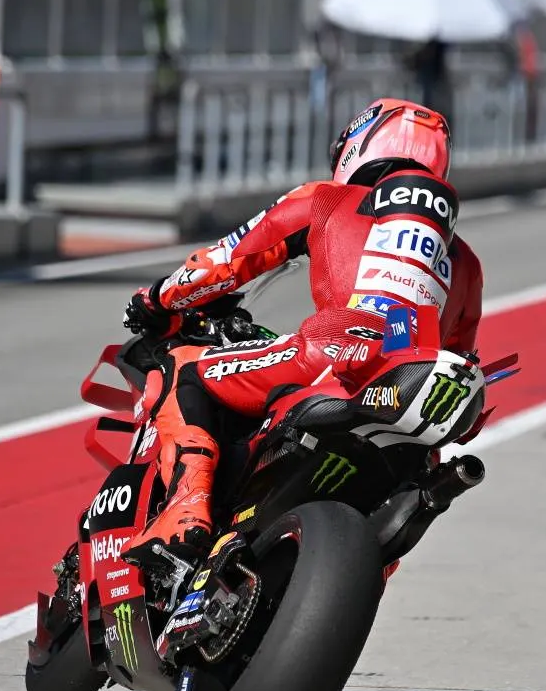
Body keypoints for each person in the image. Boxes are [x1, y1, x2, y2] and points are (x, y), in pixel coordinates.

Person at [120, 97, 484, 564]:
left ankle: (185, 511)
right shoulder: (467, 263)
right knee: (405, 490)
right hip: (416, 392)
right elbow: (461, 350)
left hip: (332, 355)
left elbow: (227, 262)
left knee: (184, 371)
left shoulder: (327, 199)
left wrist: (157, 300)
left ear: (360, 145)